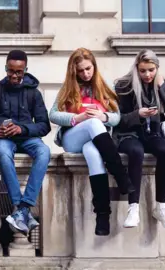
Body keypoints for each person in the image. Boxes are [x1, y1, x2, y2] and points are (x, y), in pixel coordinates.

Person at [49, 48, 134, 236]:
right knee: (92, 123)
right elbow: (53, 114)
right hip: (73, 138)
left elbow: (117, 117)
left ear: (94, 66)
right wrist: (78, 118)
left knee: (93, 153)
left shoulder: (103, 87)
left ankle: (102, 215)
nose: (86, 73)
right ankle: (121, 175)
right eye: (81, 70)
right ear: (74, 71)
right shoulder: (68, 88)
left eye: (88, 68)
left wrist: (103, 116)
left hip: (94, 139)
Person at [0, 50, 51, 235]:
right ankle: (19, 207)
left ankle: (24, 206)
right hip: (4, 140)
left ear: (25, 70)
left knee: (44, 151)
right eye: (11, 71)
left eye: (18, 72)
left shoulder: (34, 93)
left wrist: (23, 129)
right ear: (6, 68)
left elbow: (44, 126)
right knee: (4, 154)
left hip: (28, 138)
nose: (14, 75)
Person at [115, 49, 165, 230]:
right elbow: (117, 120)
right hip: (128, 135)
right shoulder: (124, 86)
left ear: (157, 68)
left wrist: (162, 86)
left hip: (152, 133)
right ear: (137, 68)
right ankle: (133, 208)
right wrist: (138, 114)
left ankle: (161, 207)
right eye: (143, 70)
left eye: (151, 70)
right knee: (136, 152)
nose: (147, 74)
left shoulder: (160, 84)